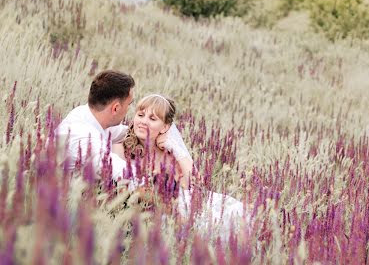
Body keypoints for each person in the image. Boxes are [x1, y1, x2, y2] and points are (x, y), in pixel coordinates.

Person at [112, 93, 246, 233]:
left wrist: (176, 149)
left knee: (230, 219)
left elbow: (196, 185)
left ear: (164, 127)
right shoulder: (121, 146)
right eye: (140, 115)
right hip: (148, 210)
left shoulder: (168, 153)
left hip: (180, 206)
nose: (143, 121)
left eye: (152, 118)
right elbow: (122, 186)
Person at [56, 70, 135, 182]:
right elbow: (126, 174)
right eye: (129, 104)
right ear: (116, 108)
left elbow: (125, 132)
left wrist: (162, 135)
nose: (129, 109)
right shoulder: (85, 140)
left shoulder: (87, 113)